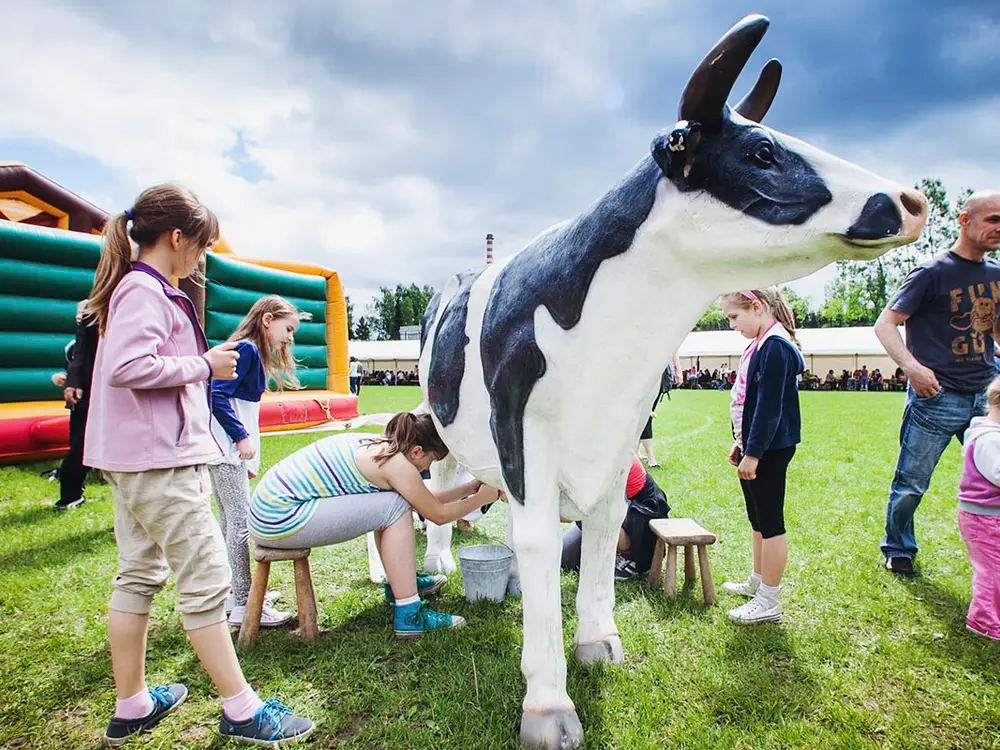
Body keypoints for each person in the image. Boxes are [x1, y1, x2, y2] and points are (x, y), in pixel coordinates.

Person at [83, 184, 313, 746]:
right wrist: (203, 365)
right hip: (158, 461)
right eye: (202, 246)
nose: (202, 258)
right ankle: (242, 710)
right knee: (208, 582)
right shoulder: (145, 290)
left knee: (138, 576)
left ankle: (133, 704)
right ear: (177, 237)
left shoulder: (139, 288)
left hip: (137, 460)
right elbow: (127, 367)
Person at [248, 412, 499, 637]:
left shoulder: (385, 447)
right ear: (417, 451)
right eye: (431, 460)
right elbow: (438, 515)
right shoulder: (397, 466)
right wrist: (481, 499)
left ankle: (402, 584)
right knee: (394, 507)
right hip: (279, 519)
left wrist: (468, 489)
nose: (428, 467)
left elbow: (422, 499)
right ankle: (410, 614)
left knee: (393, 504)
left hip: (269, 512)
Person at [874, 191, 1000, 577]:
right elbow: (886, 324)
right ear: (965, 220)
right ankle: (899, 548)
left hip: (985, 397)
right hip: (936, 397)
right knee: (912, 482)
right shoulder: (931, 272)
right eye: (993, 219)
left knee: (997, 476)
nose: (999, 228)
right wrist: (912, 368)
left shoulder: (995, 275)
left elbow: (995, 328)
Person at [209, 295, 307, 629]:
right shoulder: (248, 350)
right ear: (267, 319)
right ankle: (243, 603)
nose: (289, 337)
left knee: (228, 522)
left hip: (226, 451)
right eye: (288, 328)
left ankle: (233, 593)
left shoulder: (249, 351)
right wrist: (240, 437)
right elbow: (218, 397)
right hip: (227, 451)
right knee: (240, 525)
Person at [719, 288, 804, 624]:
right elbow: (748, 401)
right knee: (756, 518)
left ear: (757, 307)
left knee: (770, 523)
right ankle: (757, 579)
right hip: (754, 445)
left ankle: (769, 598)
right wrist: (741, 443)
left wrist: (753, 453)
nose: (732, 325)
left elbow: (769, 408)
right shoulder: (758, 344)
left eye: (734, 316)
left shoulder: (776, 347)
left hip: (770, 448)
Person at [560, 455, 670, 580]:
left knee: (588, 514)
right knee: (566, 558)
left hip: (643, 513)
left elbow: (574, 511)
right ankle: (612, 550)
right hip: (616, 506)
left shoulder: (604, 455)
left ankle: (629, 558)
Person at [957, 374, 1000, 641]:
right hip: (984, 519)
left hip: (991, 517)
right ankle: (983, 620)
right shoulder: (989, 440)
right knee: (992, 570)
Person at [54, 300, 99, 510]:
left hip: (91, 395)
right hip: (85, 398)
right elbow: (77, 360)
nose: (80, 316)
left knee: (81, 447)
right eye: (79, 313)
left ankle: (71, 493)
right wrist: (70, 380)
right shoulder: (77, 341)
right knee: (80, 447)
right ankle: (71, 494)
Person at [638, 355, 682, 467]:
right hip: (645, 368)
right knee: (646, 414)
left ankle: (636, 452)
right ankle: (650, 457)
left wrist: (678, 369)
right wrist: (678, 369)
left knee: (646, 413)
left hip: (657, 370)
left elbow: (673, 349)